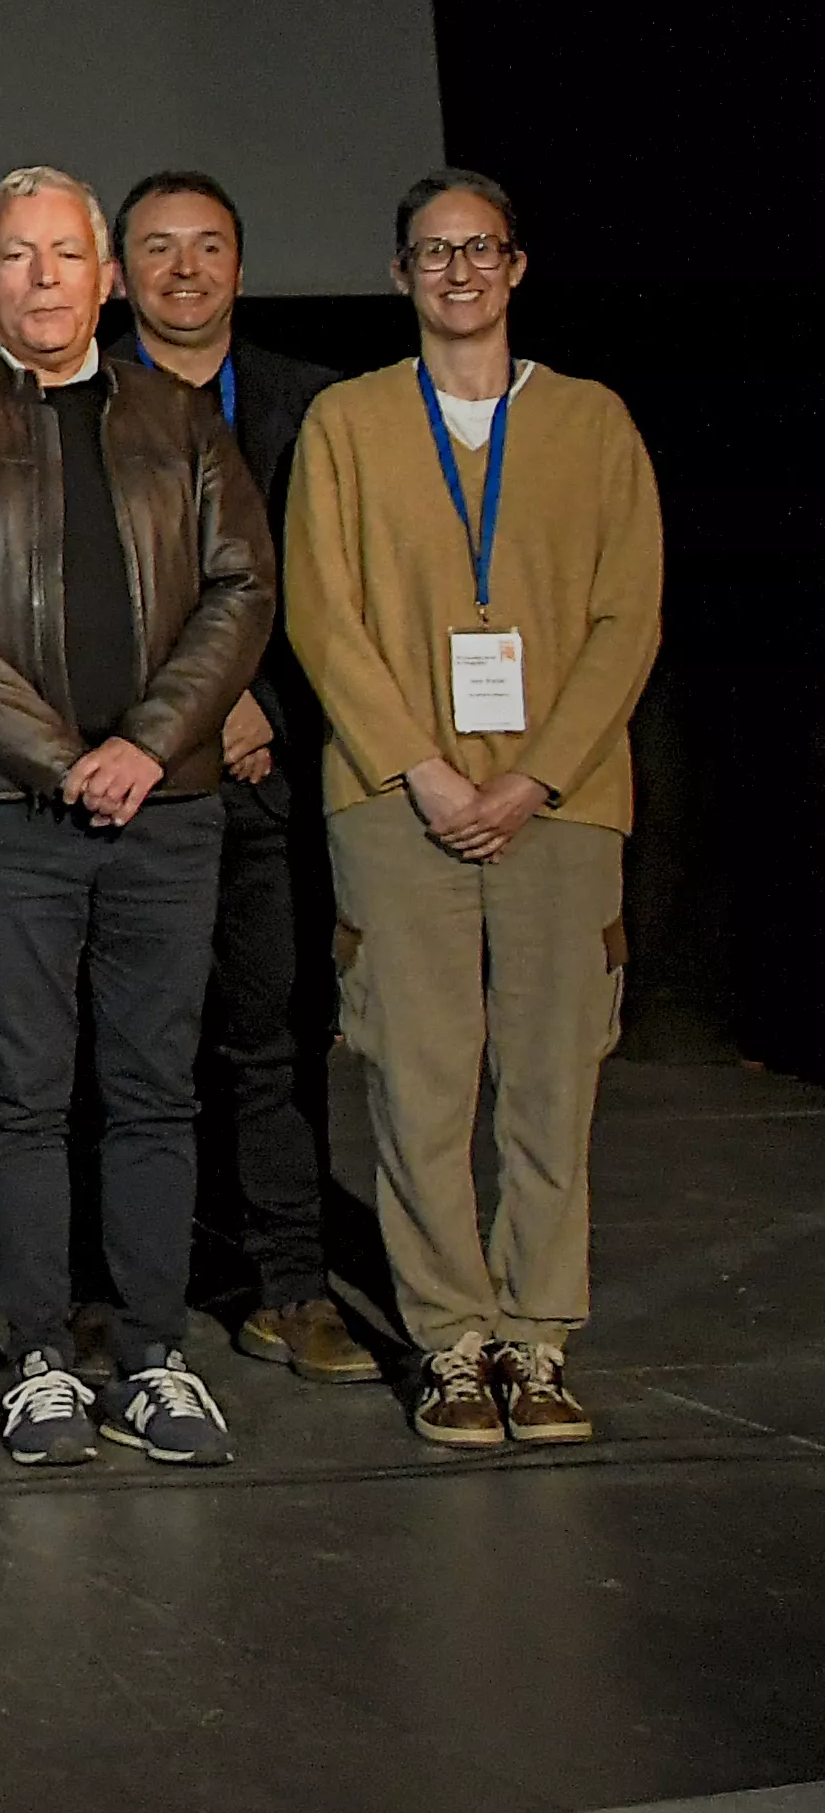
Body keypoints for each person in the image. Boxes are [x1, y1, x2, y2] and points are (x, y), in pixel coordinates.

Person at [0, 169, 275, 1469]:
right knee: (22, 1088)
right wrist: (58, 756)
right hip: (2, 810)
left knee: (155, 1086)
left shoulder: (181, 421)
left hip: (166, 806)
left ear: (105, 278)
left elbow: (241, 587)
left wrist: (146, 745)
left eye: (65, 256)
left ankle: (151, 1353)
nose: (43, 278)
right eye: (16, 256)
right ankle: (38, 1353)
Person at [286, 171, 662, 1451]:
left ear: (516, 266)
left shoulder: (595, 422)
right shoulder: (347, 421)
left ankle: (539, 1335)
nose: (457, 271)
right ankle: (453, 1339)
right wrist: (427, 771)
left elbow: (628, 618)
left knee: (553, 1077)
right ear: (399, 274)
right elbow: (321, 614)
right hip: (400, 800)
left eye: (479, 248)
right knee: (421, 1076)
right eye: (431, 251)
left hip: (562, 801)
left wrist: (535, 776)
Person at [118, 168, 369, 1386]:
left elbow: (329, 592)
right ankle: (135, 1290)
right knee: (130, 1050)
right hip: (127, 776)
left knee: (270, 1043)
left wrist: (256, 708)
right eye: (158, 248)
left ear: (239, 264)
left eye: (207, 246)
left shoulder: (311, 407)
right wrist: (188, 725)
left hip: (266, 772)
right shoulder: (72, 397)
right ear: (120, 270)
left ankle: (290, 1281)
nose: (185, 269)